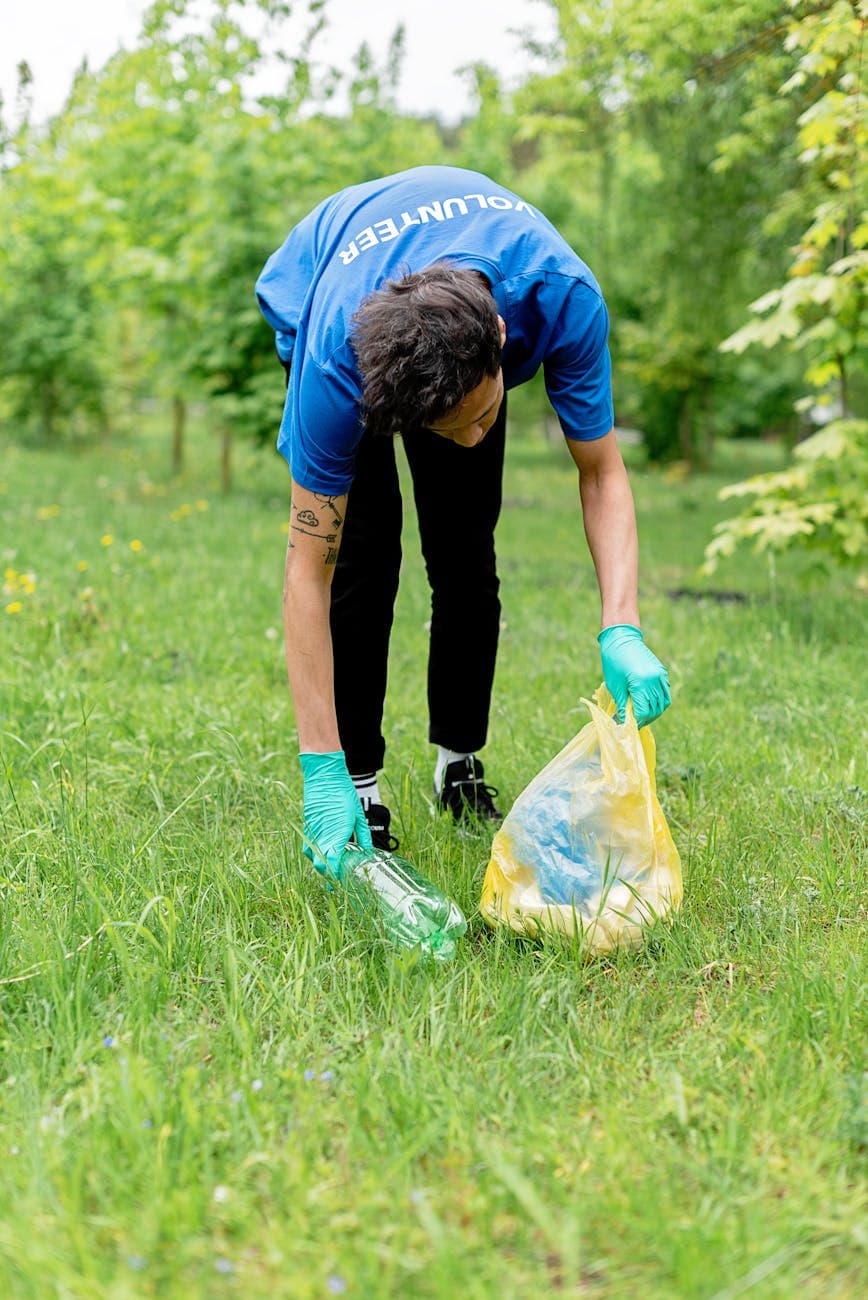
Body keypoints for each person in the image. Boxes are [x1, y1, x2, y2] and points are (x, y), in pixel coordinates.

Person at [256, 165, 670, 875]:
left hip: (463, 305)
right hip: (322, 279)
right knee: (360, 559)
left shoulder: (559, 295)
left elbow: (601, 471)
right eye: (450, 428)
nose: (475, 437)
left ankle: (459, 758)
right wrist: (317, 767)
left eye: (482, 414)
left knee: (465, 552)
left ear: (503, 339)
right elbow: (306, 568)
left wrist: (621, 622)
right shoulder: (335, 366)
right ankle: (358, 784)